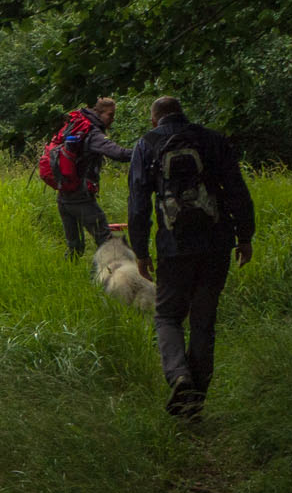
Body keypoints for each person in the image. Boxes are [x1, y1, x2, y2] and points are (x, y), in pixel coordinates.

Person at [127, 96, 255, 419]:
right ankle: (195, 398)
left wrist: (140, 251)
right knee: (203, 320)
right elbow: (237, 190)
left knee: (168, 316)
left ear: (155, 119)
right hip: (216, 244)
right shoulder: (212, 140)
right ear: (183, 113)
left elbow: (138, 202)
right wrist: (245, 237)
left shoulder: (147, 144)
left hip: (174, 247)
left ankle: (179, 377)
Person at [56, 96, 133, 260]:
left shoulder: (75, 126)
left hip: (64, 194)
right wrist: (143, 152)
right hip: (81, 198)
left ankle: (68, 275)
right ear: (98, 113)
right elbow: (118, 153)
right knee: (107, 243)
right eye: (110, 115)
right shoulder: (92, 133)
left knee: (75, 247)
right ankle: (107, 280)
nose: (112, 120)